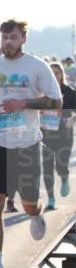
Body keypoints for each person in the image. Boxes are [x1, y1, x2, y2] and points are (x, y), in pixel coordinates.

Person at [0, 20, 62, 268]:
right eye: (4, 38)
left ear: (23, 38)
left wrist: (24, 103)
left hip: (27, 144)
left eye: (12, 37)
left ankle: (35, 214)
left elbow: (56, 101)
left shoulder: (37, 67)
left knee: (29, 203)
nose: (7, 43)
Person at [41, 61, 76, 210]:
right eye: (52, 73)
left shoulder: (69, 92)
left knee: (61, 165)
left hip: (64, 134)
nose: (55, 76)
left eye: (57, 73)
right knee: (47, 167)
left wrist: (73, 119)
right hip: (46, 135)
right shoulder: (43, 92)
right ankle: (51, 198)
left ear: (62, 74)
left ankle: (64, 177)